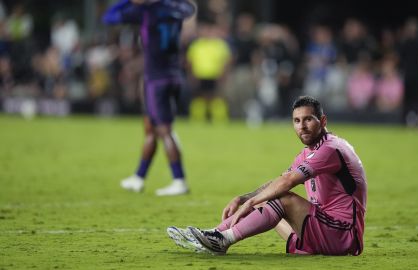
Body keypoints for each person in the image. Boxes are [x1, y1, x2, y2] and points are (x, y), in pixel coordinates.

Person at [167, 96, 367, 255]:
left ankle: (224, 240)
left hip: (342, 235)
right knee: (268, 197)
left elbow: (287, 183)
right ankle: (214, 234)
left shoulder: (330, 149)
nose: (302, 126)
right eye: (297, 121)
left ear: (322, 121)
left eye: (308, 119)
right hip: (322, 229)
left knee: (282, 197)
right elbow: (279, 181)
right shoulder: (310, 151)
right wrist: (244, 198)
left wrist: (251, 201)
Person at [103, 0, 195, 196]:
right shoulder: (175, 8)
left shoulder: (145, 11)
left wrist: (129, 1)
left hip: (156, 79)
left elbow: (108, 17)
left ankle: (179, 180)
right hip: (174, 75)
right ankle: (139, 177)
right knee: (150, 127)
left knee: (164, 130)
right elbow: (190, 7)